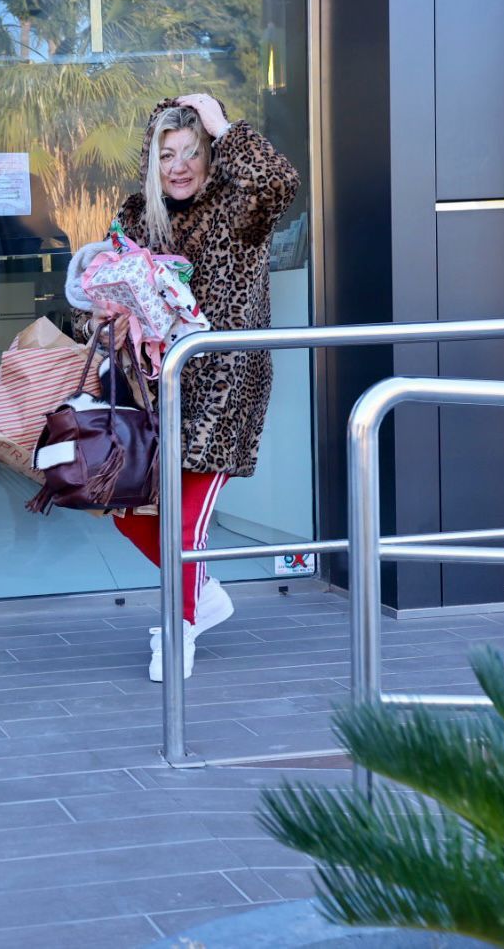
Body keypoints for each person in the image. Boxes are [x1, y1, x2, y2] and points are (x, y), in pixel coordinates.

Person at [81, 94, 299, 682]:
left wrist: (226, 126)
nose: (178, 166)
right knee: (125, 510)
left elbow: (278, 184)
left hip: (222, 389)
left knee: (182, 521)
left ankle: (179, 630)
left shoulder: (237, 207)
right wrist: (105, 317)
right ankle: (204, 597)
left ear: (210, 155)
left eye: (192, 152)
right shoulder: (134, 217)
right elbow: (101, 299)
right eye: (166, 154)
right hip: (148, 394)